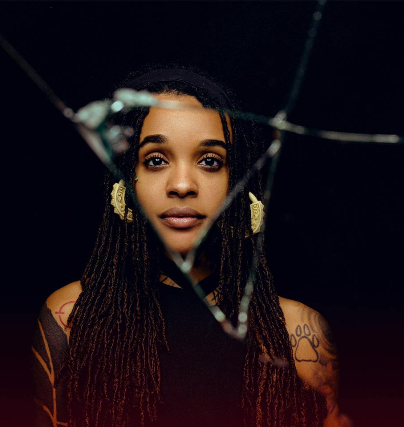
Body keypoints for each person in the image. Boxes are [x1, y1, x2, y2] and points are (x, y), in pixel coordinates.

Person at [31, 66, 349, 427]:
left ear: (238, 184)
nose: (182, 185)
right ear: (125, 183)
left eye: (210, 161)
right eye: (155, 160)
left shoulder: (298, 333)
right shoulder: (71, 317)